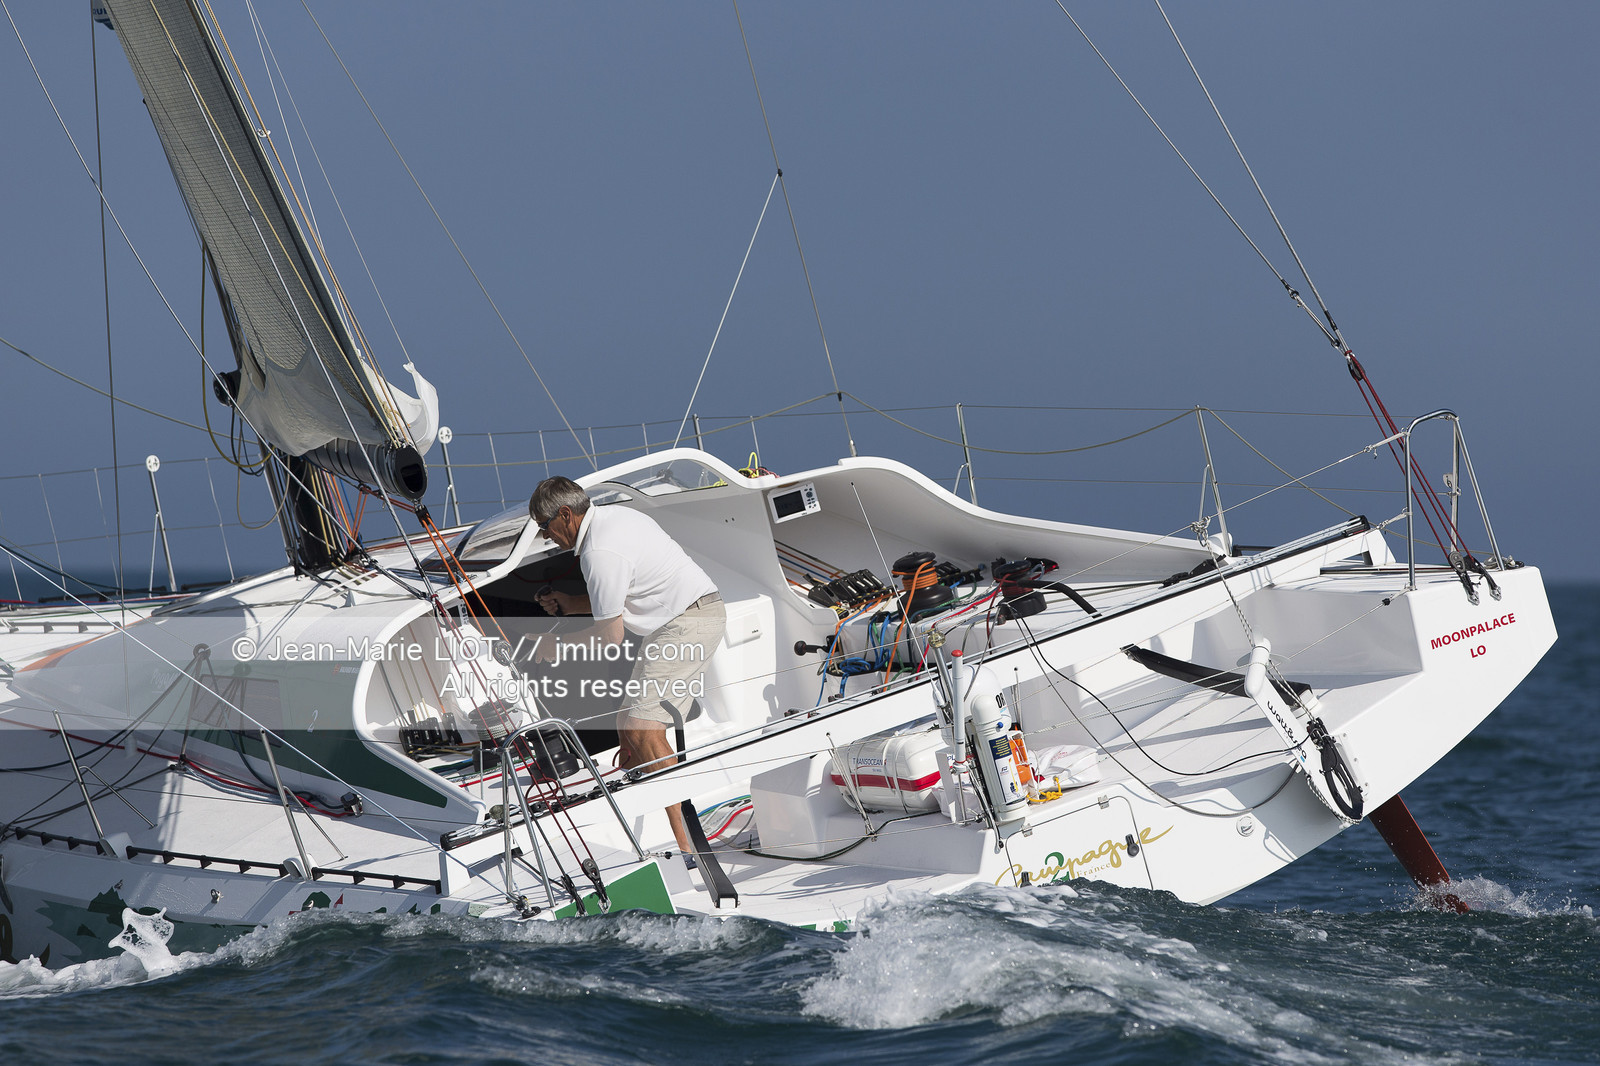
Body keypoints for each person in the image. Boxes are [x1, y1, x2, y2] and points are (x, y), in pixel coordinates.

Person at [528, 476, 724, 862]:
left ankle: (691, 848)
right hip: (687, 617)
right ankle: (645, 810)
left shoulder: (598, 552)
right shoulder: (615, 518)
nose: (546, 537)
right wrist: (569, 602)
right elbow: (618, 597)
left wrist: (555, 645)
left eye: (544, 527)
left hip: (684, 623)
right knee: (625, 725)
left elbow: (609, 638)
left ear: (565, 515)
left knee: (641, 730)